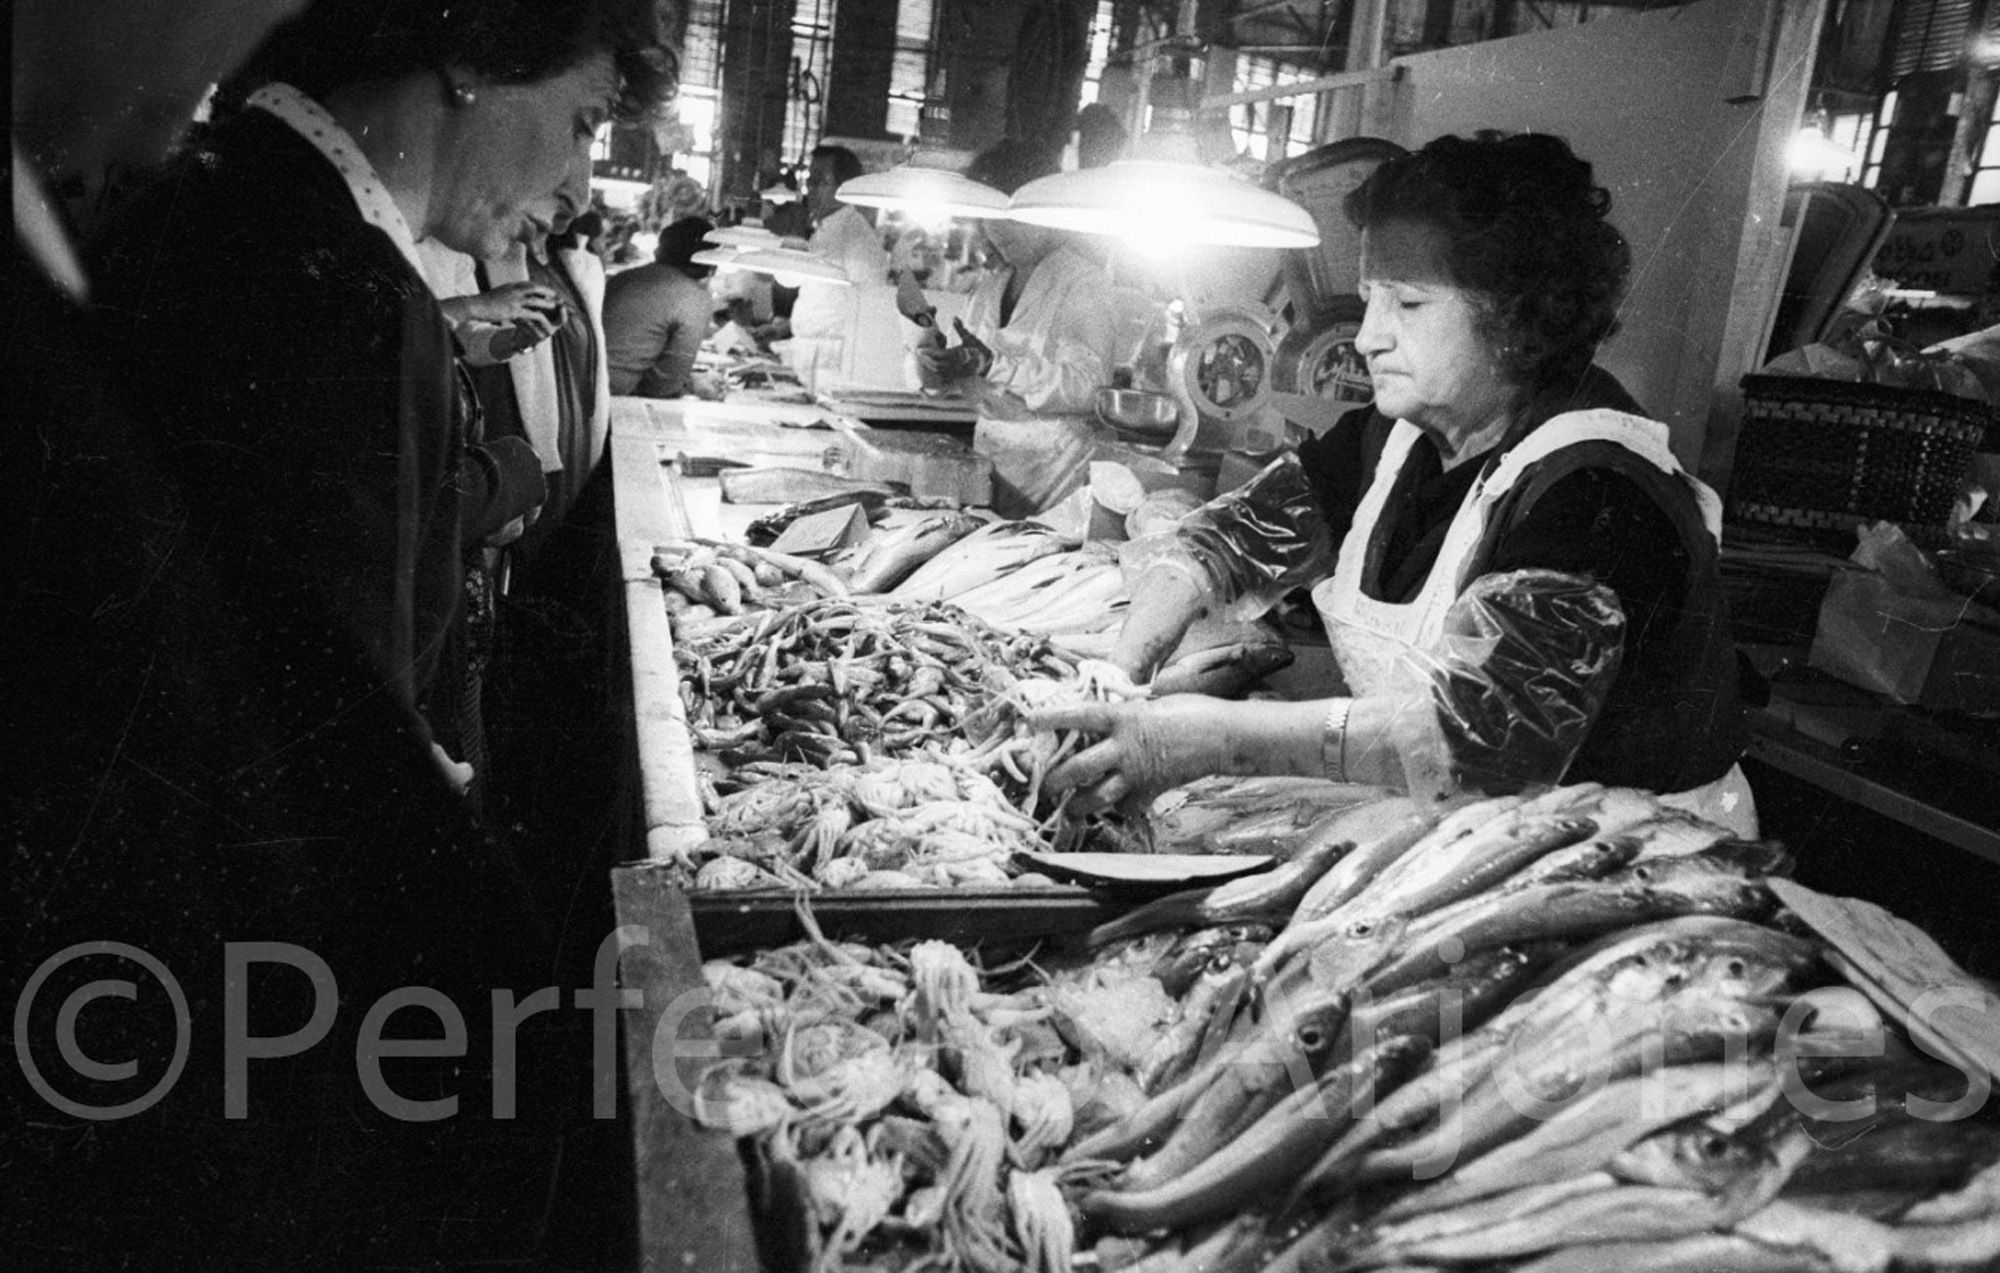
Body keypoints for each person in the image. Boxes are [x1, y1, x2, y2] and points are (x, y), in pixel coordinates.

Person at [14, 3, 678, 1268]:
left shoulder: (223, 209)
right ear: (476, 53)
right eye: (584, 123)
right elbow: (330, 761)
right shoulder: (337, 293)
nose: (582, 180)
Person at [1037, 133, 1754, 835]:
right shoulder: (1397, 436)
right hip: (1476, 830)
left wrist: (1215, 737)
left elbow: (1479, 737)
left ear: (1514, 317)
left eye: (1406, 305)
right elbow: (1226, 544)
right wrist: (1124, 665)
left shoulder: (1595, 485)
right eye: (1368, 298)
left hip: (1634, 859)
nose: (1367, 336)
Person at [915, 138, 1120, 416]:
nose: (999, 230)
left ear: (1047, 213)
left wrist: (990, 365)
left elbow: (1089, 392)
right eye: (989, 216)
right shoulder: (989, 289)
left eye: (1012, 218)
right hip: (987, 449)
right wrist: (931, 364)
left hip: (1060, 456)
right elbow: (951, 386)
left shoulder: (1083, 284)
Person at [603, 214, 720, 396]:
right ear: (710, 262)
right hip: (610, 396)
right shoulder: (695, 298)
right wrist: (690, 385)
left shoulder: (624, 278)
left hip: (570, 382)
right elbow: (665, 384)